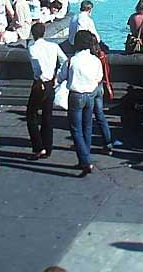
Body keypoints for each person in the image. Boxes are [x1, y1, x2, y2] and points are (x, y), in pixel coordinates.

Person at [64, 29, 104, 174]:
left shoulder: (72, 60)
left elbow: (62, 76)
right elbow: (99, 77)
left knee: (76, 129)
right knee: (87, 127)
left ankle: (85, 160)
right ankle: (84, 157)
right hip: (90, 94)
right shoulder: (95, 60)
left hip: (76, 95)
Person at [27, 22, 66, 160]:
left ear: (33, 34)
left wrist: (39, 78)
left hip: (40, 83)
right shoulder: (53, 46)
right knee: (47, 115)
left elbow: (36, 67)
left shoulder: (32, 48)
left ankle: (38, 147)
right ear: (44, 33)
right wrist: (57, 76)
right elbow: (64, 60)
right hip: (50, 83)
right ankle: (48, 146)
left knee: (31, 114)